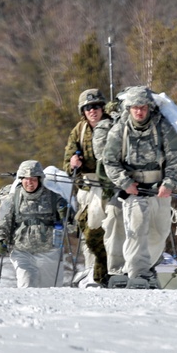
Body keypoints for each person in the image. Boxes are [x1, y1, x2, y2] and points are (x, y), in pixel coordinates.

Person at [101, 85, 177, 285]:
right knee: (136, 230)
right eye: (135, 107)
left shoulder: (163, 127)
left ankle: (147, 266)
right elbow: (109, 161)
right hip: (134, 189)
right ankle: (137, 272)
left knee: (160, 232)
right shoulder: (120, 130)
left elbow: (175, 158)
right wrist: (125, 183)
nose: (139, 111)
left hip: (159, 189)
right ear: (129, 108)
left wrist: (169, 183)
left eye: (143, 107)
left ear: (149, 108)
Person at [0, 160, 69, 288]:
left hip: (50, 252)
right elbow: (1, 224)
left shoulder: (54, 198)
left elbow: (71, 226)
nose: (29, 182)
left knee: (50, 291)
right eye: (26, 179)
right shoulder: (12, 199)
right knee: (26, 286)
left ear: (39, 179)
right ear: (21, 179)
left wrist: (66, 214)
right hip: (22, 252)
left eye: (33, 179)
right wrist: (0, 240)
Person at [63, 88, 110, 286]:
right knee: (88, 232)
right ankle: (92, 271)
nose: (93, 111)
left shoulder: (113, 126)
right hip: (87, 189)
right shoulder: (78, 131)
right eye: (88, 107)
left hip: (111, 187)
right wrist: (73, 163)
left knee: (111, 231)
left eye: (97, 106)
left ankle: (112, 271)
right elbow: (66, 164)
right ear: (83, 111)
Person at [93, 98, 126, 279]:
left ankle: (146, 267)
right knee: (114, 219)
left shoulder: (147, 126)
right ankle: (117, 270)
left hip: (147, 184)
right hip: (116, 186)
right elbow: (102, 157)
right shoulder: (105, 127)